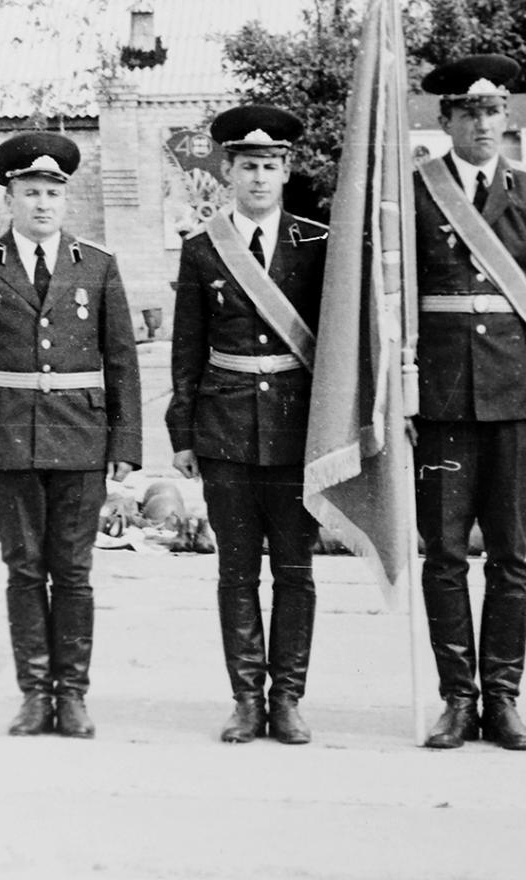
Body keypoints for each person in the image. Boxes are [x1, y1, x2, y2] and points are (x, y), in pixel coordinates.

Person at [0, 132, 142, 739]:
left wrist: (126, 445)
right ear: (10, 199)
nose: (42, 204)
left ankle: (73, 696)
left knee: (74, 573)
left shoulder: (97, 266)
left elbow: (122, 360)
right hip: (7, 442)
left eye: (52, 193)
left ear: (65, 199)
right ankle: (34, 694)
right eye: (30, 193)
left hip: (81, 440)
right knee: (25, 571)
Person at [411, 54, 526, 751]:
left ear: (506, 117)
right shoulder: (416, 191)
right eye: (469, 112)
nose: (483, 124)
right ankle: (458, 698)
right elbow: (392, 301)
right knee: (445, 556)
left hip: (517, 399)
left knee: (511, 556)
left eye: (493, 110)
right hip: (442, 402)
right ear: (445, 119)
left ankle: (504, 698)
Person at [167, 105, 328, 745]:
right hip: (226, 424)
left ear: (286, 171)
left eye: (270, 165)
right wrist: (183, 433)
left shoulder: (318, 244)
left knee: (294, 569)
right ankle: (245, 700)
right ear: (227, 172)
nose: (259, 177)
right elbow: (187, 348)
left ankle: (286, 699)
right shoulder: (202, 249)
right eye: (247, 166)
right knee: (236, 571)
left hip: (295, 429)